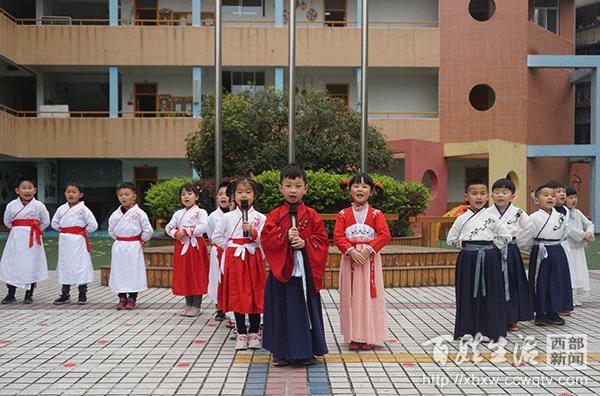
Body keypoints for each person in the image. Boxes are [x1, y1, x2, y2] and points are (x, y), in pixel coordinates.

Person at [261, 164, 329, 366]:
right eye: (288, 185)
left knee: (304, 311)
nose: (293, 190)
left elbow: (322, 241)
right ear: (280, 188)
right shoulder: (274, 215)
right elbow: (266, 238)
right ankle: (280, 352)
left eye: (297, 185)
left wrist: (305, 243)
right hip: (282, 273)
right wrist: (284, 236)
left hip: (304, 274)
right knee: (280, 310)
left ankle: (306, 351)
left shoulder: (312, 215)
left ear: (305, 188)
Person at [447, 178, 511, 342]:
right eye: (474, 193)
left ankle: (489, 330)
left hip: (489, 258)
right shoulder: (461, 218)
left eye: (482, 193)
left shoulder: (492, 218)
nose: (479, 197)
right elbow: (451, 239)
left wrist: (491, 248)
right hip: (468, 259)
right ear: (466, 196)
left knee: (490, 294)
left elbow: (506, 236)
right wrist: (468, 247)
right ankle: (466, 329)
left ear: (487, 196)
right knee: (466, 293)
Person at [334, 173, 391, 350]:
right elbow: (337, 236)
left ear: (371, 191)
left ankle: (368, 335)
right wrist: (351, 251)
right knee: (351, 297)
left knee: (368, 296)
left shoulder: (376, 214)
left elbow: (384, 235)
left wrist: (367, 250)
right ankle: (353, 336)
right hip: (350, 260)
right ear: (350, 190)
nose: (360, 189)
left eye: (365, 186)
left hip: (369, 261)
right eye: (356, 186)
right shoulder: (343, 214)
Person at [211, 177, 266, 350]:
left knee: (255, 294)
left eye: (248, 192)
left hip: (252, 257)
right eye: (240, 192)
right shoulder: (227, 217)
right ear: (233, 196)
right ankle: (241, 331)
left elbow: (265, 239)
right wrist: (231, 247)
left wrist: (253, 232)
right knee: (238, 294)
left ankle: (255, 331)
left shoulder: (260, 217)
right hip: (235, 258)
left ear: (255, 195)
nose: (244, 195)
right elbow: (216, 237)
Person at [487, 178, 535, 331]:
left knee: (513, 283)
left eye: (505, 192)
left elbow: (530, 228)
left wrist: (516, 242)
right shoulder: (487, 213)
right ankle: (495, 317)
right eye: (497, 192)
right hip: (493, 250)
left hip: (511, 250)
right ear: (492, 195)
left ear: (512, 196)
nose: (500, 195)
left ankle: (512, 318)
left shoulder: (518, 212)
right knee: (494, 284)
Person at [527, 183, 573, 326]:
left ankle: (554, 312)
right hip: (540, 251)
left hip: (556, 250)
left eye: (553, 195)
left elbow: (565, 233)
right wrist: (534, 247)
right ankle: (540, 313)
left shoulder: (561, 216)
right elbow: (527, 235)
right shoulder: (533, 217)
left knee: (557, 281)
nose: (550, 198)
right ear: (537, 200)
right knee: (540, 281)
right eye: (545, 195)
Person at [0, 176, 50, 304]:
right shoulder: (12, 205)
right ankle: (11, 293)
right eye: (24, 188)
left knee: (31, 264)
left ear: (35, 190)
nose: (27, 191)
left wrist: (35, 230)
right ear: (17, 190)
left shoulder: (39, 206)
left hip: (32, 238)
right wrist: (18, 229)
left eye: (29, 188)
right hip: (16, 238)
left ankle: (29, 294)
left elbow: (45, 221)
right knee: (13, 264)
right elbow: (7, 221)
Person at [165, 183, 210, 317]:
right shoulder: (178, 214)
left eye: (189, 194)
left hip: (195, 246)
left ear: (196, 197)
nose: (186, 196)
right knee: (185, 273)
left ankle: (196, 305)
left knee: (196, 273)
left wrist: (186, 231)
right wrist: (174, 233)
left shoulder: (201, 212)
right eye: (183, 194)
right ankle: (188, 304)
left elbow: (204, 227)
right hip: (182, 245)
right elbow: (168, 227)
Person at [108, 182, 154, 310]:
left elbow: (147, 231)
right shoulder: (115, 215)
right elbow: (111, 231)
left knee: (133, 271)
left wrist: (140, 240)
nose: (124, 197)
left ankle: (132, 297)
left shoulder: (140, 214)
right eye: (121, 195)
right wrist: (120, 240)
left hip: (134, 246)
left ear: (134, 197)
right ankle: (122, 297)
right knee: (119, 271)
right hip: (119, 246)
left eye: (127, 194)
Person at [51, 182, 98, 305]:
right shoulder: (61, 209)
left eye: (74, 192)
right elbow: (54, 223)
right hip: (65, 241)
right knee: (65, 264)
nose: (70, 194)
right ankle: (65, 293)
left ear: (80, 194)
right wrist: (63, 230)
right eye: (68, 192)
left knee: (80, 265)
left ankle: (82, 293)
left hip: (78, 241)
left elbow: (93, 225)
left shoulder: (83, 209)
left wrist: (82, 231)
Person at [207, 181, 232, 322]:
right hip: (219, 252)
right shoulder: (212, 217)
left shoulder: (237, 214)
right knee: (217, 279)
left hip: (234, 252)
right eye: (220, 194)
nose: (223, 197)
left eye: (227, 194)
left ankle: (232, 307)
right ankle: (220, 307)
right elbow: (211, 235)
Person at [564, 186, 594, 307]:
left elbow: (589, 223)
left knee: (579, 271)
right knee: (571, 272)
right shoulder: (564, 213)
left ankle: (575, 297)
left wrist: (589, 232)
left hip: (578, 248)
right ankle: (569, 297)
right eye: (570, 197)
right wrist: (583, 234)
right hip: (569, 247)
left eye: (575, 197)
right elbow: (569, 229)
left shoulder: (577, 212)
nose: (573, 200)